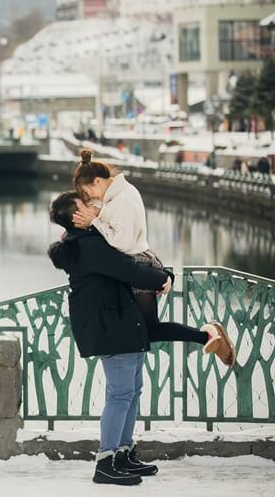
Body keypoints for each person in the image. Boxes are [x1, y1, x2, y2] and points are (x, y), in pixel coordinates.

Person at [48, 191, 171, 486]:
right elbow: (126, 269)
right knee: (120, 394)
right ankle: (105, 462)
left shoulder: (87, 238)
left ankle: (123, 454)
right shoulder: (87, 244)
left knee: (132, 390)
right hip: (110, 324)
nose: (94, 205)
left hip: (120, 319)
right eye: (86, 204)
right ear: (76, 216)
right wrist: (163, 278)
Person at [70, 149, 235, 367]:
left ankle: (209, 336)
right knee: (146, 329)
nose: (91, 199)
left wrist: (95, 222)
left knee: (148, 329)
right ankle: (208, 336)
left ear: (98, 181)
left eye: (88, 193)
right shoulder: (119, 196)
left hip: (137, 263)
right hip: (135, 263)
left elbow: (123, 242)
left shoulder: (122, 201)